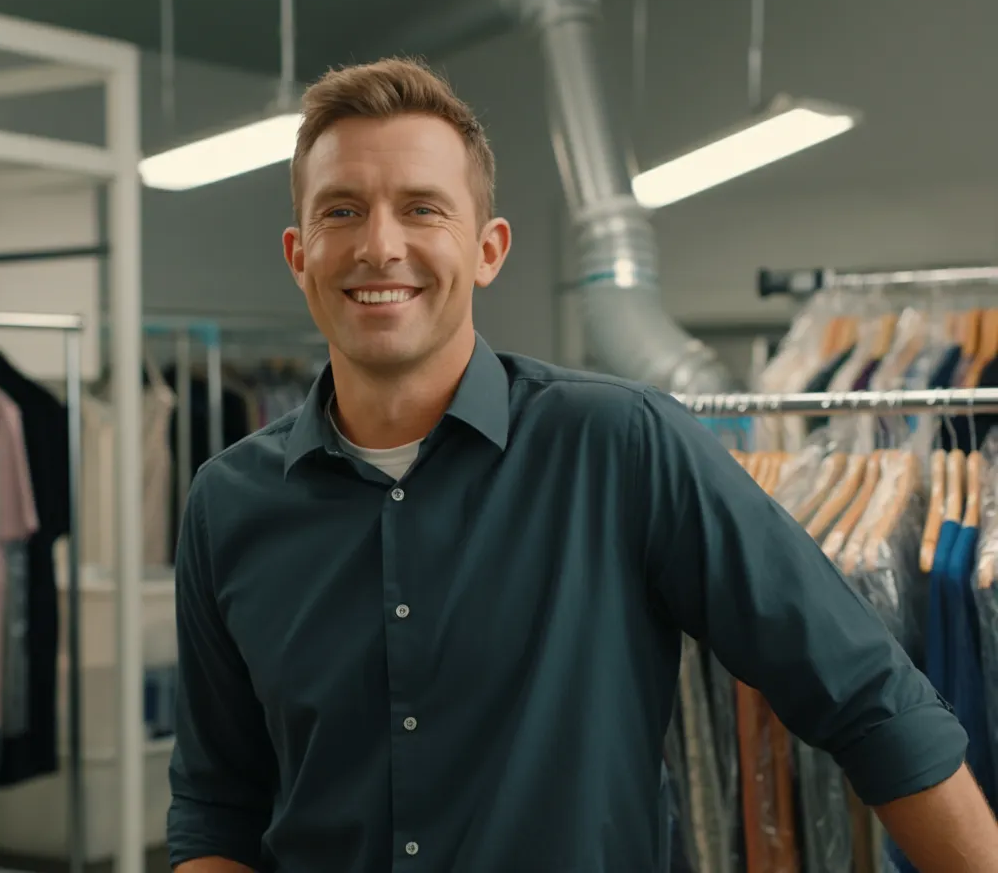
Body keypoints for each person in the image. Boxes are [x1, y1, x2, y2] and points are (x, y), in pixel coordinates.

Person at [166, 57, 998, 872]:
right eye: (341, 212)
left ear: (489, 249)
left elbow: (871, 702)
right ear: (297, 255)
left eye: (422, 209)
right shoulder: (229, 503)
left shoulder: (622, 446)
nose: (380, 245)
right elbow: (218, 803)